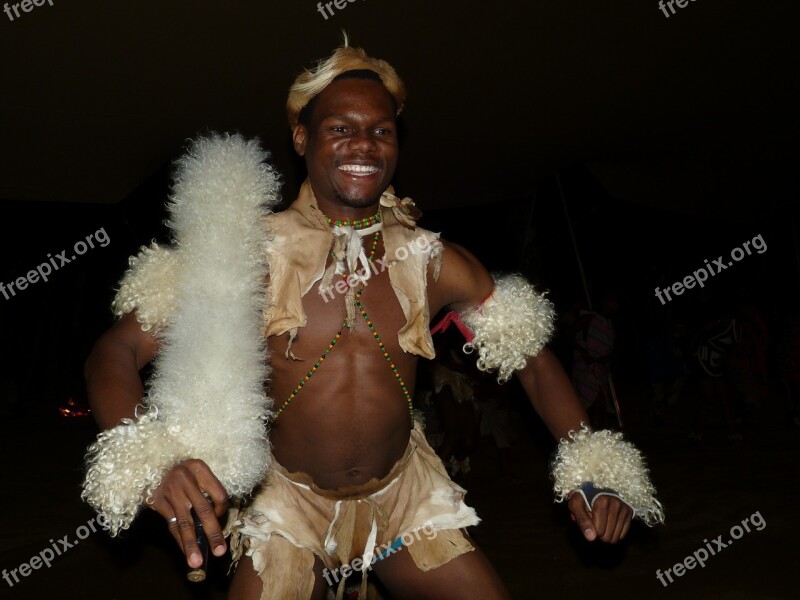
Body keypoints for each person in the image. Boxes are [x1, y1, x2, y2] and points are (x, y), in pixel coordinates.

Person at [82, 42, 662, 600]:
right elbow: (115, 352)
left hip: (404, 498)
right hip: (288, 507)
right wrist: (153, 460)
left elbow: (533, 362)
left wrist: (595, 468)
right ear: (302, 137)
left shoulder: (433, 261)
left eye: (381, 130)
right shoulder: (245, 255)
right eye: (341, 128)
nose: (364, 144)